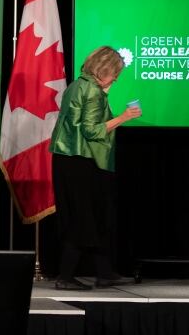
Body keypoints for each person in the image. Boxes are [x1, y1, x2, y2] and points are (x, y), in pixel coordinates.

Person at [49, 46, 141, 290]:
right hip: (82, 160)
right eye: (115, 72)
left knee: (94, 215)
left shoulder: (76, 85)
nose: (117, 78)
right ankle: (65, 277)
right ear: (104, 69)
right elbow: (91, 131)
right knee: (84, 218)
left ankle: (104, 272)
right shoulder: (93, 92)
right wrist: (123, 117)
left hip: (67, 159)